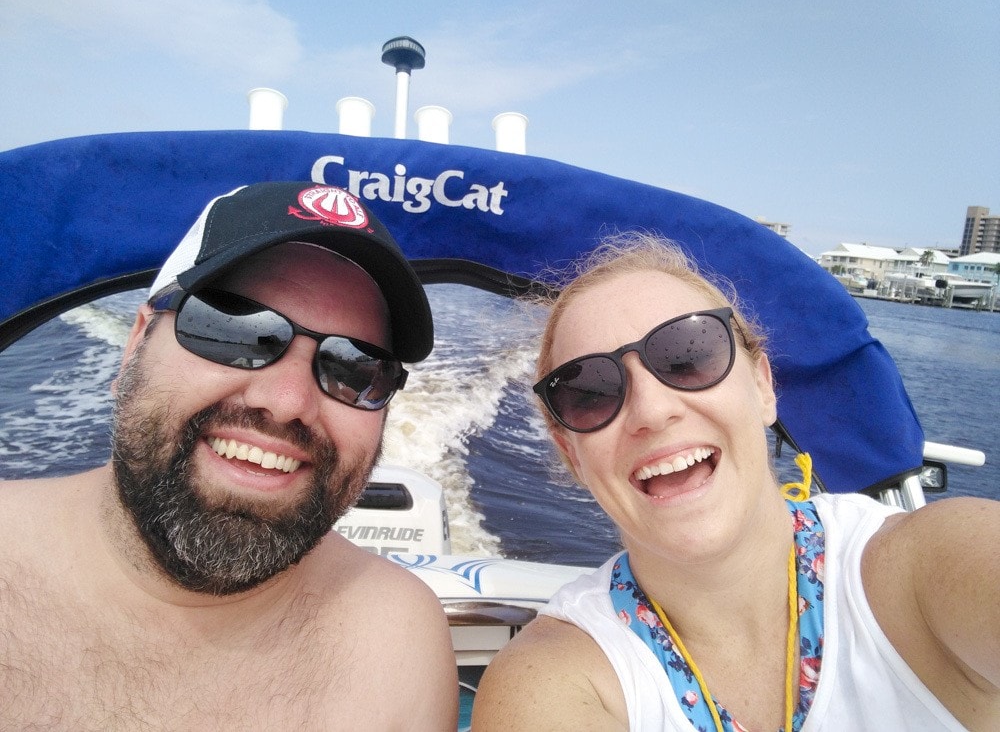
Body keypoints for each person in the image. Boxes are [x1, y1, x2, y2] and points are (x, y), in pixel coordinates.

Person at [473, 232, 1000, 731]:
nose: (652, 411)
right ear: (571, 454)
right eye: (589, 392)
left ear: (764, 386)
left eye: (689, 355)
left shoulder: (927, 569)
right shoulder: (556, 681)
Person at [0, 182, 458, 729]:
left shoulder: (398, 644)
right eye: (234, 329)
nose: (287, 403)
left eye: (356, 367)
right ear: (136, 344)